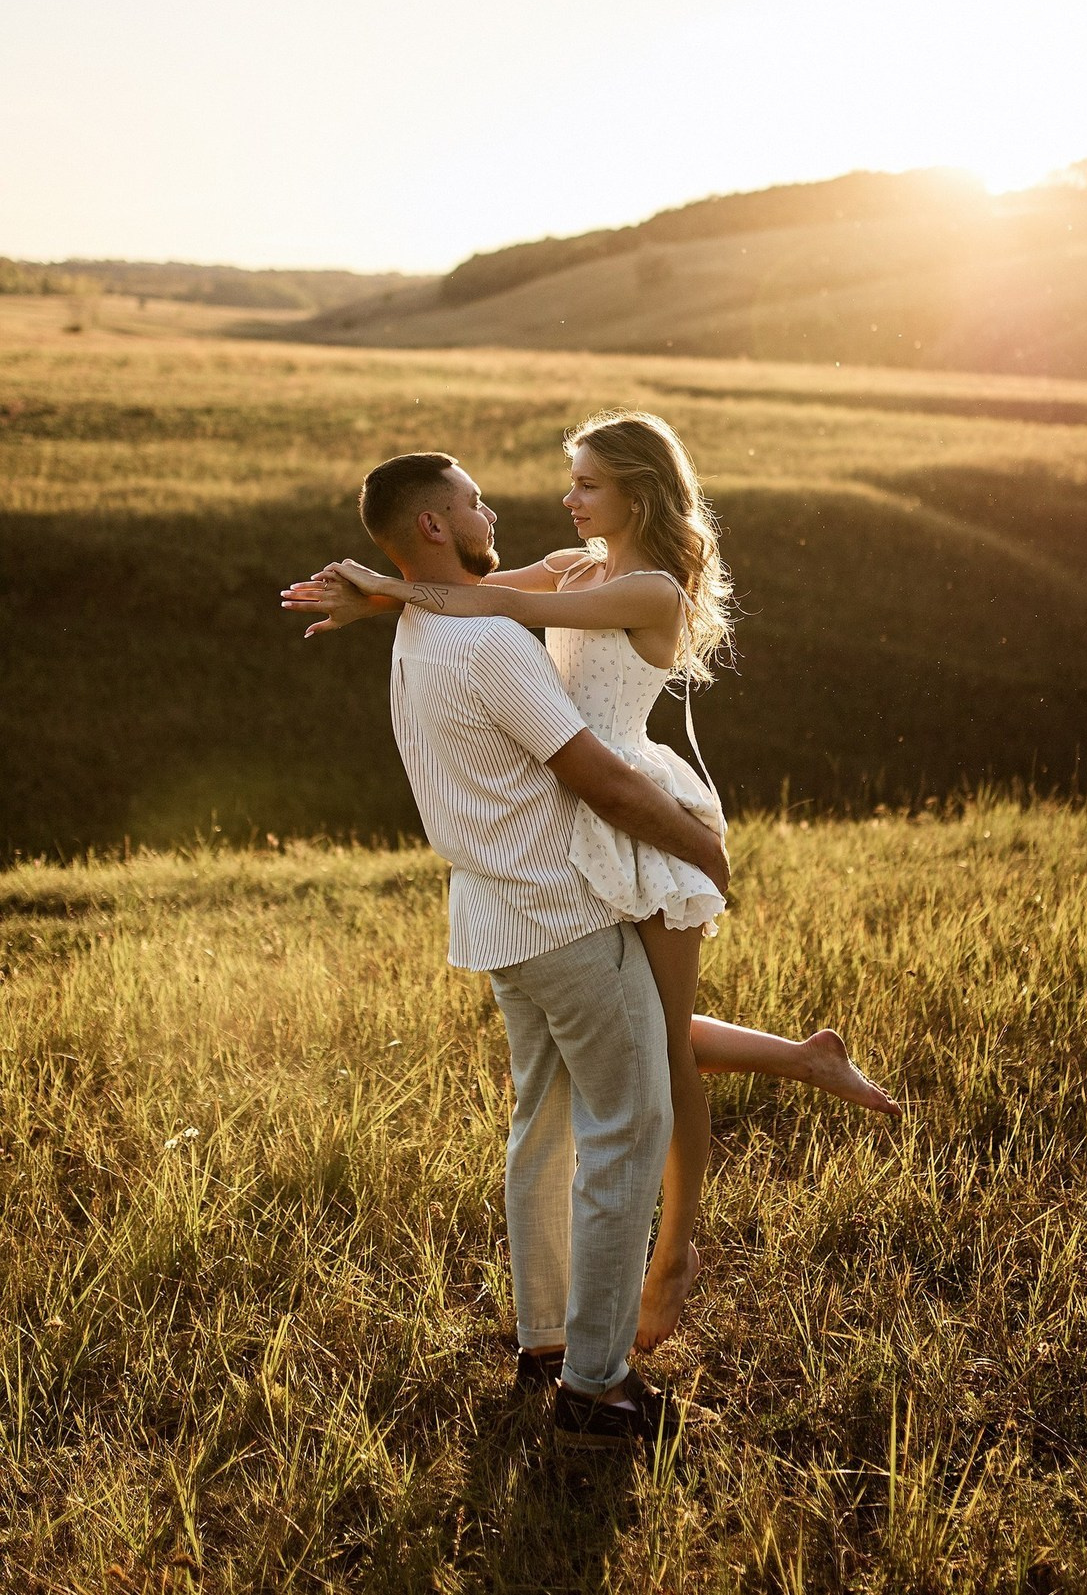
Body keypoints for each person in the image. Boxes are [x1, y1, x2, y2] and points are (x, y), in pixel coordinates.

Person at [284, 411, 900, 1354]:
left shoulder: (649, 589)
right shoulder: (578, 567)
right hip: (586, 815)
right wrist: (389, 593)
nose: (566, 499)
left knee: (662, 1057)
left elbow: (497, 608)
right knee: (644, 1034)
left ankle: (676, 1252)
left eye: (586, 484)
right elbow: (473, 592)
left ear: (638, 494)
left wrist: (389, 592)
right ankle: (806, 1057)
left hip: (646, 812)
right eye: (571, 481)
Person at [284, 450, 730, 1453]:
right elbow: (601, 783)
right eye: (473, 499)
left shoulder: (422, 626)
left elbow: (513, 589)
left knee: (546, 1122)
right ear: (437, 527)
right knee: (626, 1125)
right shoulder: (488, 646)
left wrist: (383, 587)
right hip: (560, 913)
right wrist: (702, 845)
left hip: (496, 916)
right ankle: (596, 1386)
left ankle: (544, 1343)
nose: (497, 508)